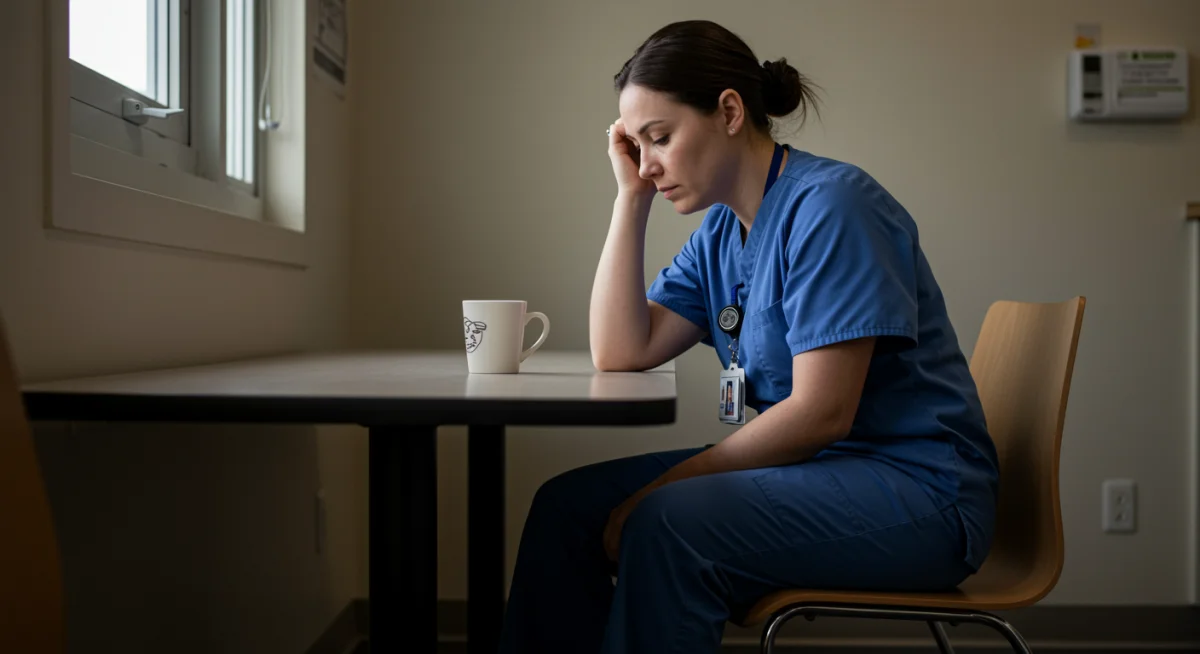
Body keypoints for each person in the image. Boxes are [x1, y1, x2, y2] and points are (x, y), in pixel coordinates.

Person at [498, 19, 999, 654]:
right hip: (817, 474)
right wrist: (630, 200)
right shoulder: (721, 233)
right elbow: (622, 350)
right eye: (636, 145)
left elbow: (820, 414)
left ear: (729, 111)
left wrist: (662, 489)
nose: (648, 164)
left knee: (664, 522)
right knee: (566, 509)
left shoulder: (832, 207)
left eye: (660, 138)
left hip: (920, 494)